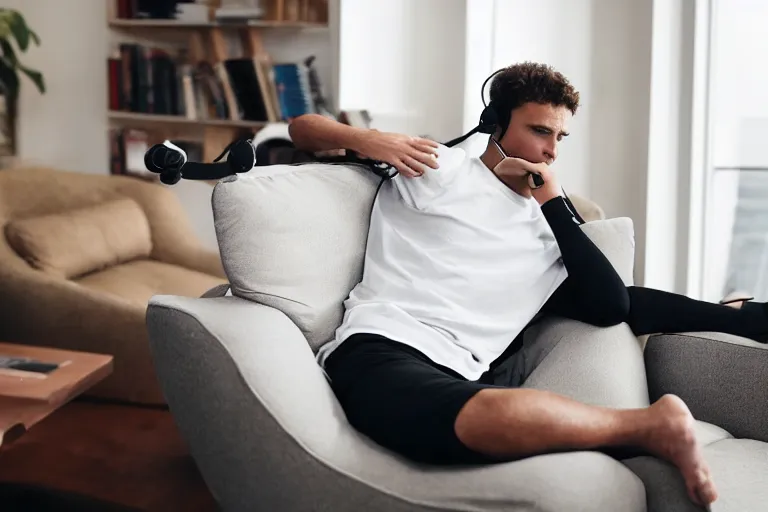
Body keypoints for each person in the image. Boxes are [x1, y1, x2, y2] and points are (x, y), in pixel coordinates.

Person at [288, 62, 768, 507]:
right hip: (383, 344)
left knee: (468, 421)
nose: (552, 150)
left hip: (457, 371)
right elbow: (302, 129)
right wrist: (370, 139)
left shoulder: (546, 225)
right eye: (540, 131)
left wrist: (554, 203)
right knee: (448, 422)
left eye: (560, 136)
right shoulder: (439, 168)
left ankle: (712, 358)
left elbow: (611, 303)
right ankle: (646, 428)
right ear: (496, 122)